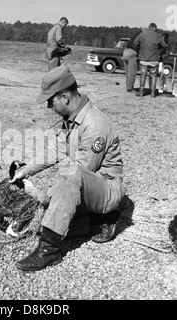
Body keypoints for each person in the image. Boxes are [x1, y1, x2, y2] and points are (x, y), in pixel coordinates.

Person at [9, 65, 126, 271]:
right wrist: (27, 170)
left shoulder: (94, 125)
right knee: (61, 218)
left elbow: (80, 172)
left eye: (50, 100)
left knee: (67, 177)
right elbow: (57, 150)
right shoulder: (71, 120)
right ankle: (93, 221)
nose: (48, 106)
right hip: (89, 185)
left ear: (64, 97)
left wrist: (45, 196)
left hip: (106, 189)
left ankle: (49, 250)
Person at [134, 23, 167, 97]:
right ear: (155, 28)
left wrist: (141, 47)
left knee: (143, 75)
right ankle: (152, 93)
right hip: (154, 60)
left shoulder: (142, 34)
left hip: (143, 59)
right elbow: (164, 45)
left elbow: (135, 43)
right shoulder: (158, 35)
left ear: (149, 28)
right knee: (153, 76)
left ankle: (141, 92)